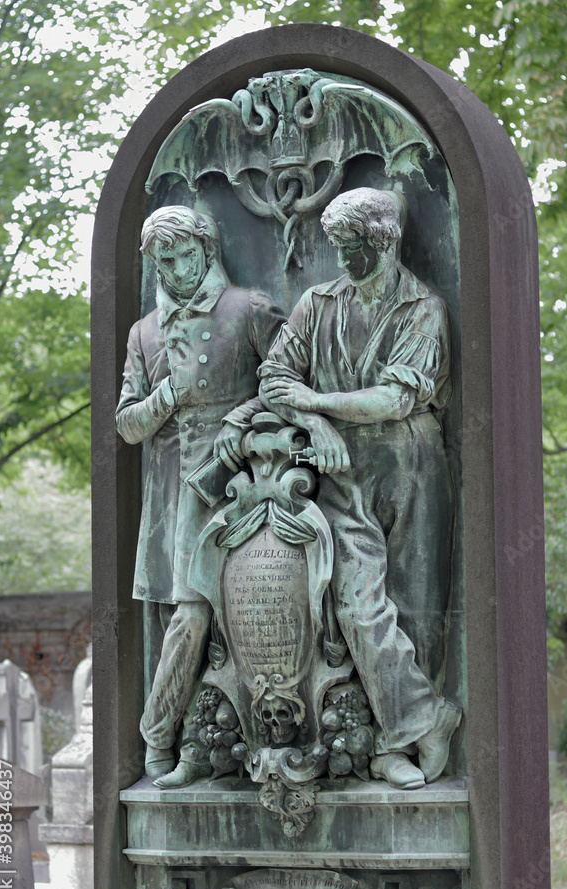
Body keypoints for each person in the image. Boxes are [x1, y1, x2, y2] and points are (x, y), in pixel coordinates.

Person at [259, 187, 461, 790]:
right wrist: (315, 425)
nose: (342, 259)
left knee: (419, 612)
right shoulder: (318, 304)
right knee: (357, 606)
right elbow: (274, 374)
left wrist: (316, 402)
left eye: (353, 248)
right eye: (336, 247)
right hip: (341, 473)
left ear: (385, 241)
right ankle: (428, 719)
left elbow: (396, 398)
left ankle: (386, 744)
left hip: (412, 464)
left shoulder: (424, 309)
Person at [116, 206, 284, 786]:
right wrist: (169, 393)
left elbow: (291, 384)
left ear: (207, 251)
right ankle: (189, 743)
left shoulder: (249, 309)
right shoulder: (145, 332)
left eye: (188, 255)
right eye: (166, 260)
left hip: (238, 487)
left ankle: (162, 738)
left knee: (203, 619)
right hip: (170, 496)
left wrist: (243, 416)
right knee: (181, 622)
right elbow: (128, 424)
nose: (179, 269)